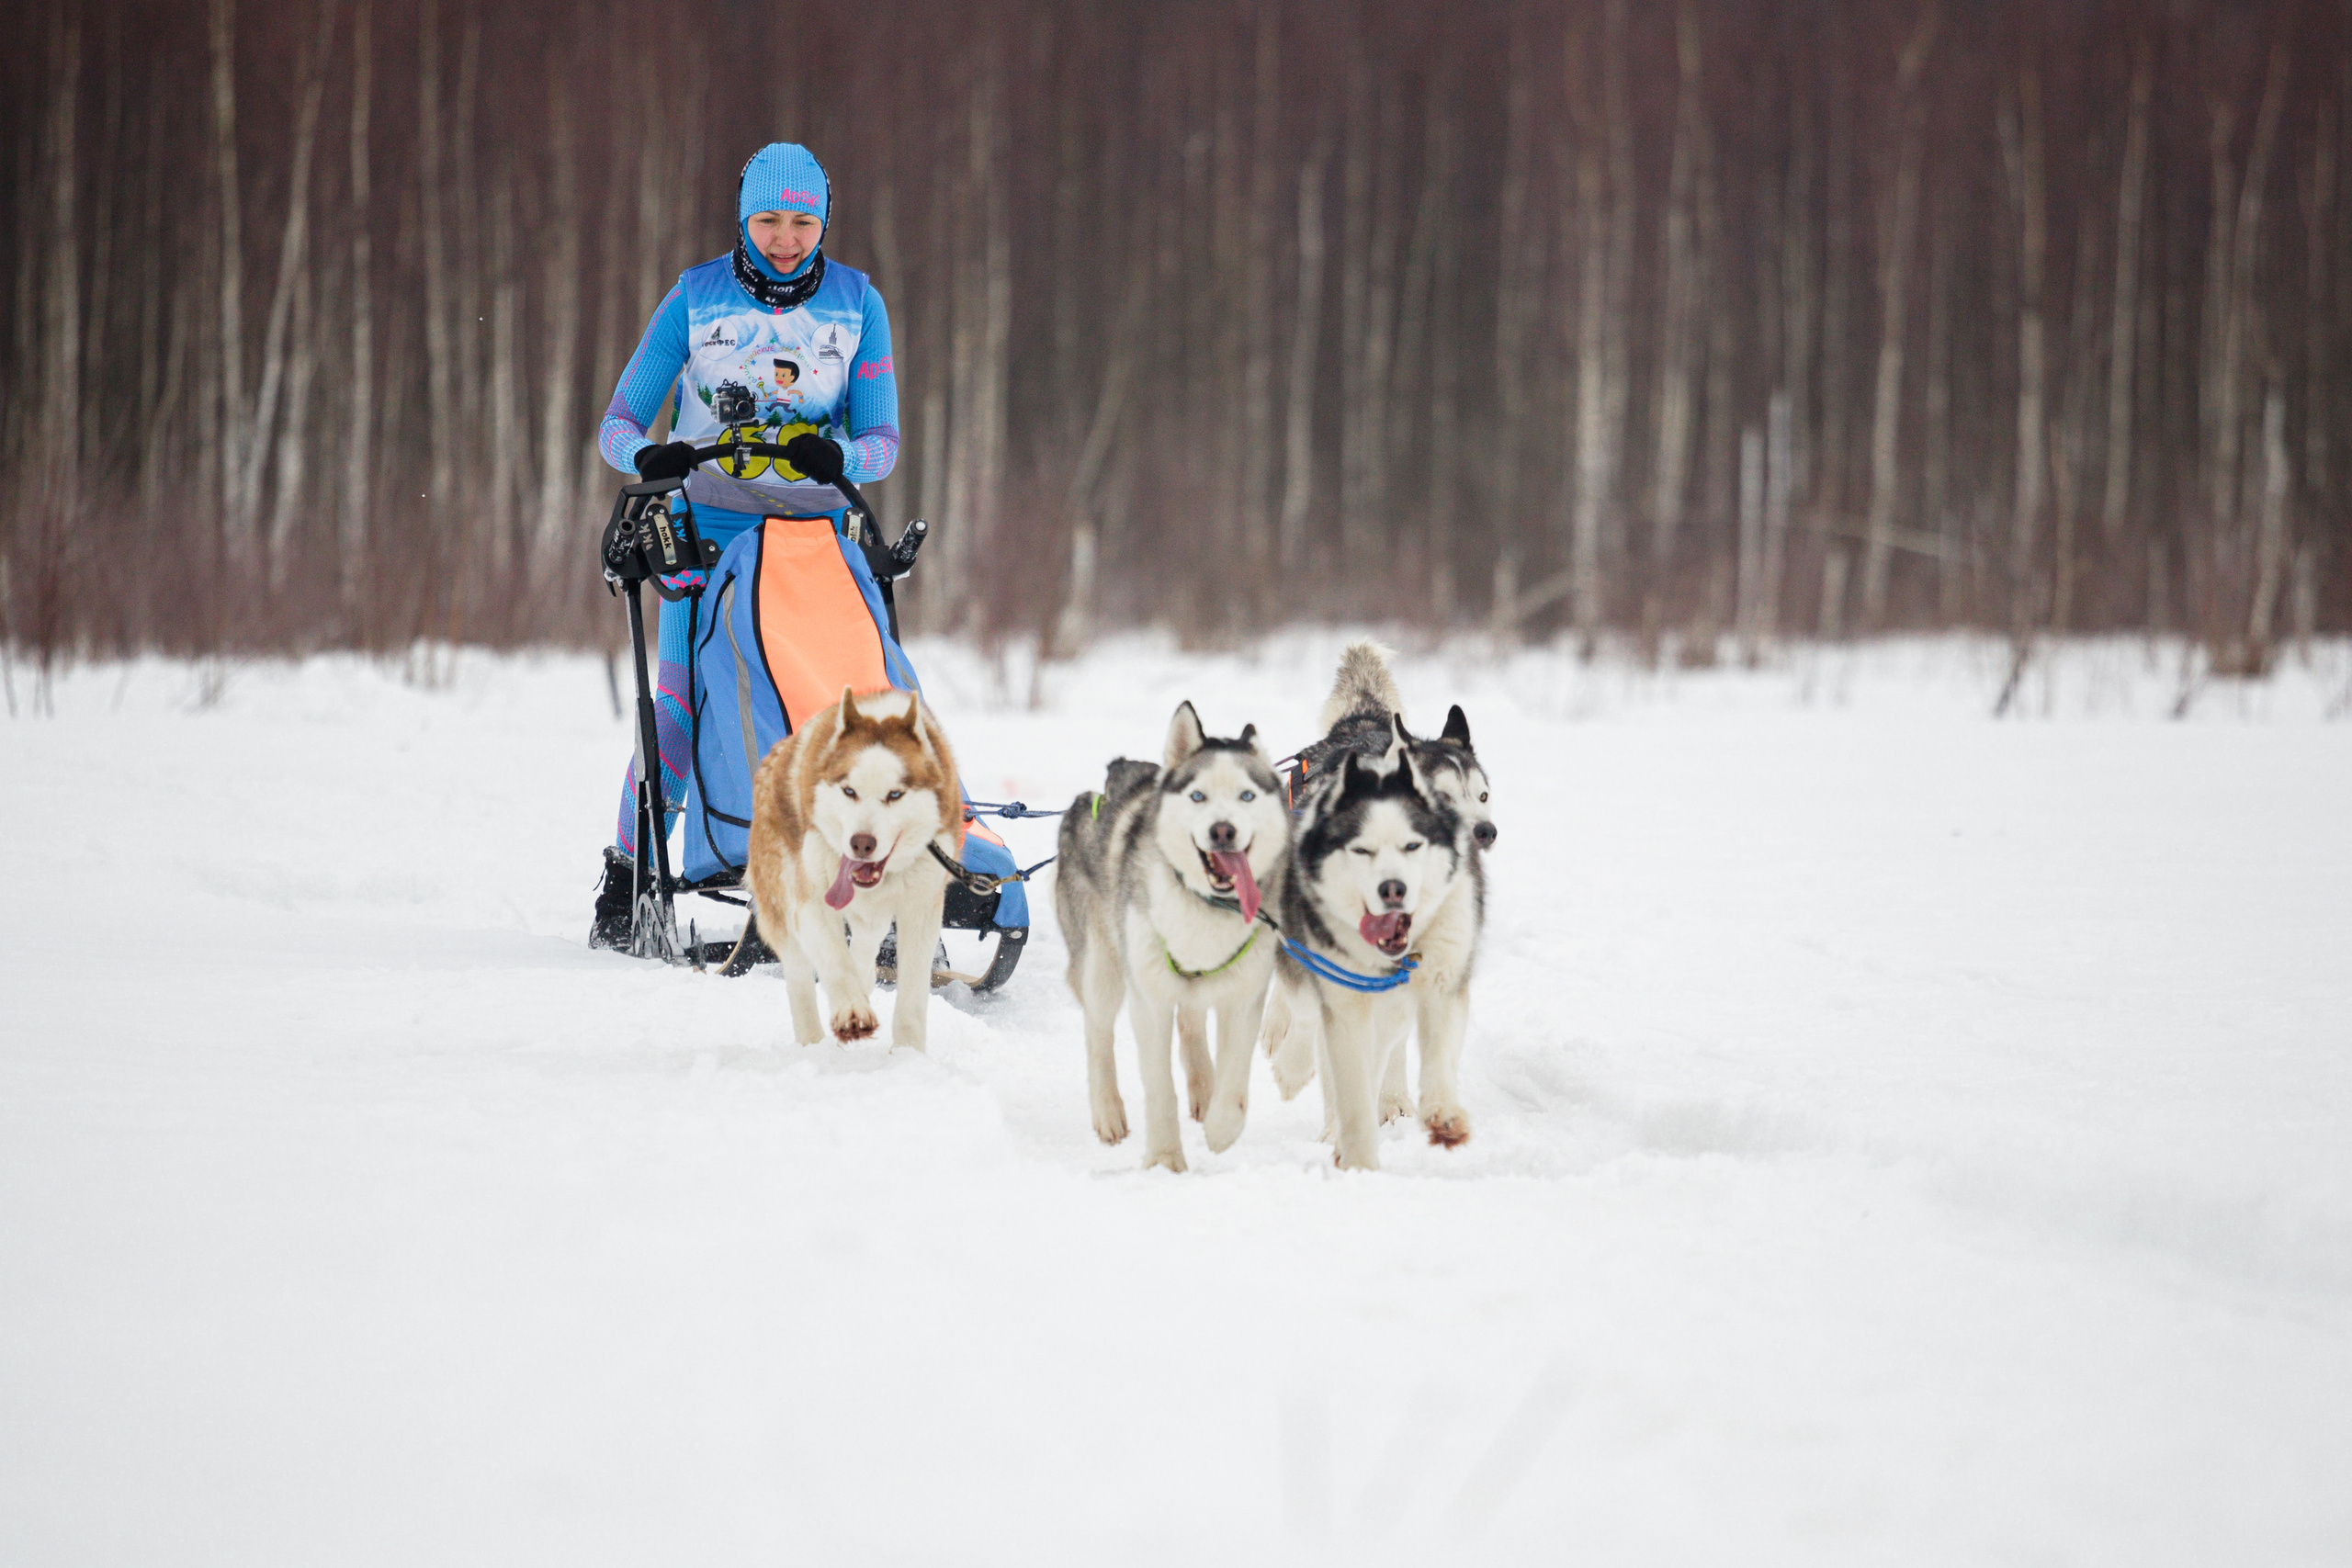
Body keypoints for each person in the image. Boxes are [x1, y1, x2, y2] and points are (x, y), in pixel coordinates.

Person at [589, 141, 899, 947]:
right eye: (768, 220)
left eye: (802, 221)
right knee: (682, 715)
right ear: (742, 216)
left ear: (824, 220)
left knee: (834, 714)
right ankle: (628, 879)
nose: (785, 239)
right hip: (706, 535)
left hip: (813, 543)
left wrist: (844, 459)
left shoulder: (858, 304)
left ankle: (869, 883)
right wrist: (647, 458)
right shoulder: (695, 298)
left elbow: (883, 444)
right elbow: (620, 424)